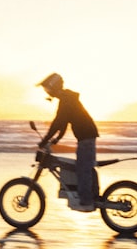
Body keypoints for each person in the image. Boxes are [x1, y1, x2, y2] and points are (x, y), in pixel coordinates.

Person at [37, 73, 99, 212]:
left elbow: (57, 122)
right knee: (83, 167)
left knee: (82, 168)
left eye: (47, 89)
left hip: (86, 137)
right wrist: (57, 139)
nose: (47, 92)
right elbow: (63, 123)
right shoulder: (66, 99)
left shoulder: (66, 100)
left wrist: (45, 140)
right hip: (86, 136)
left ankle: (86, 202)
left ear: (54, 87)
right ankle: (89, 196)